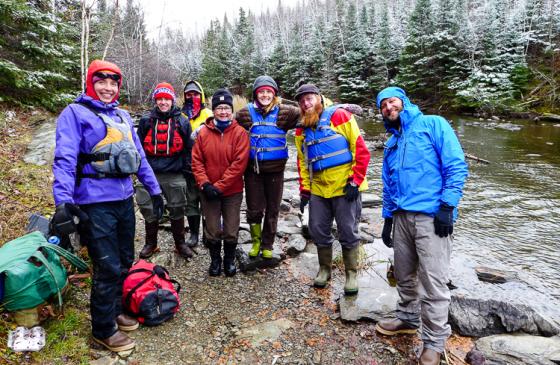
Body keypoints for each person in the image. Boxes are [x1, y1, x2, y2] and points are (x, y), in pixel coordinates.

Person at [51, 60, 163, 352]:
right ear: (90, 82)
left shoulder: (123, 116)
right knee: (107, 266)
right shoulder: (74, 113)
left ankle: (115, 311)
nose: (108, 88)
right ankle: (102, 330)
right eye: (101, 81)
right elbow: (64, 159)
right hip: (94, 202)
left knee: (125, 260)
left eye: (113, 83)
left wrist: (155, 190)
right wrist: (63, 202)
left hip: (124, 199)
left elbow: (139, 157)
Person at [374, 86, 468, 365]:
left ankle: (434, 343)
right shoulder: (392, 142)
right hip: (401, 217)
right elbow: (389, 185)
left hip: (431, 216)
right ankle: (407, 319)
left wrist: (447, 206)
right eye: (383, 106)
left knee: (433, 283)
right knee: (404, 274)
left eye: (392, 102)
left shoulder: (433, 124)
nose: (389, 108)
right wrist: (388, 218)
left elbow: (456, 165)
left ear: (403, 102)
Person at [294, 84, 370, 296]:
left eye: (309, 98)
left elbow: (361, 150)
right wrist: (305, 191)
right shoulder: (301, 129)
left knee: (347, 230)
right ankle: (324, 269)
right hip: (319, 188)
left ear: (319, 98)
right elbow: (302, 162)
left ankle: (351, 273)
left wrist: (355, 181)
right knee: (317, 228)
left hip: (345, 186)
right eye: (302, 101)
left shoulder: (340, 116)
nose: (306, 103)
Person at [235, 76, 301, 259]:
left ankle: (267, 244)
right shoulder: (244, 113)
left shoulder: (286, 112)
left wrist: (334, 110)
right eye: (261, 91)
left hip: (276, 171)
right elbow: (226, 124)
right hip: (253, 170)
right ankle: (255, 242)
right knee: (254, 209)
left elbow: (310, 112)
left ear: (274, 94)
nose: (264, 95)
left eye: (268, 92)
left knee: (273, 209)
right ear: (256, 94)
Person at [191, 89, 250, 277]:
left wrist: (219, 186)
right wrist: (205, 184)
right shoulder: (203, 133)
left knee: (231, 229)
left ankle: (229, 260)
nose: (223, 112)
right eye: (219, 108)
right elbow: (196, 161)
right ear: (213, 110)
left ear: (231, 111)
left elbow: (239, 164)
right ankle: (215, 261)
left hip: (232, 191)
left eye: (226, 108)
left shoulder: (240, 133)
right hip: (208, 191)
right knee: (213, 229)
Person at [136, 82, 194, 259]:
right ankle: (151, 243)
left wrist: (187, 172)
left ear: (172, 100)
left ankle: (180, 243)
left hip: (174, 173)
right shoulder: (146, 120)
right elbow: (138, 147)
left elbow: (188, 149)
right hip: (149, 173)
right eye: (159, 99)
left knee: (177, 208)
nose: (163, 102)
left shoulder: (182, 121)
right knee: (147, 206)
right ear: (156, 100)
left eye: (166, 99)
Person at [181, 80, 213, 247]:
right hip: (187, 166)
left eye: (195, 94)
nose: (192, 96)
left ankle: (209, 234)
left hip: (207, 166)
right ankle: (194, 234)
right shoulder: (181, 115)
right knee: (191, 202)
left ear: (201, 96)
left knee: (208, 200)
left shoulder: (208, 113)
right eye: (189, 94)